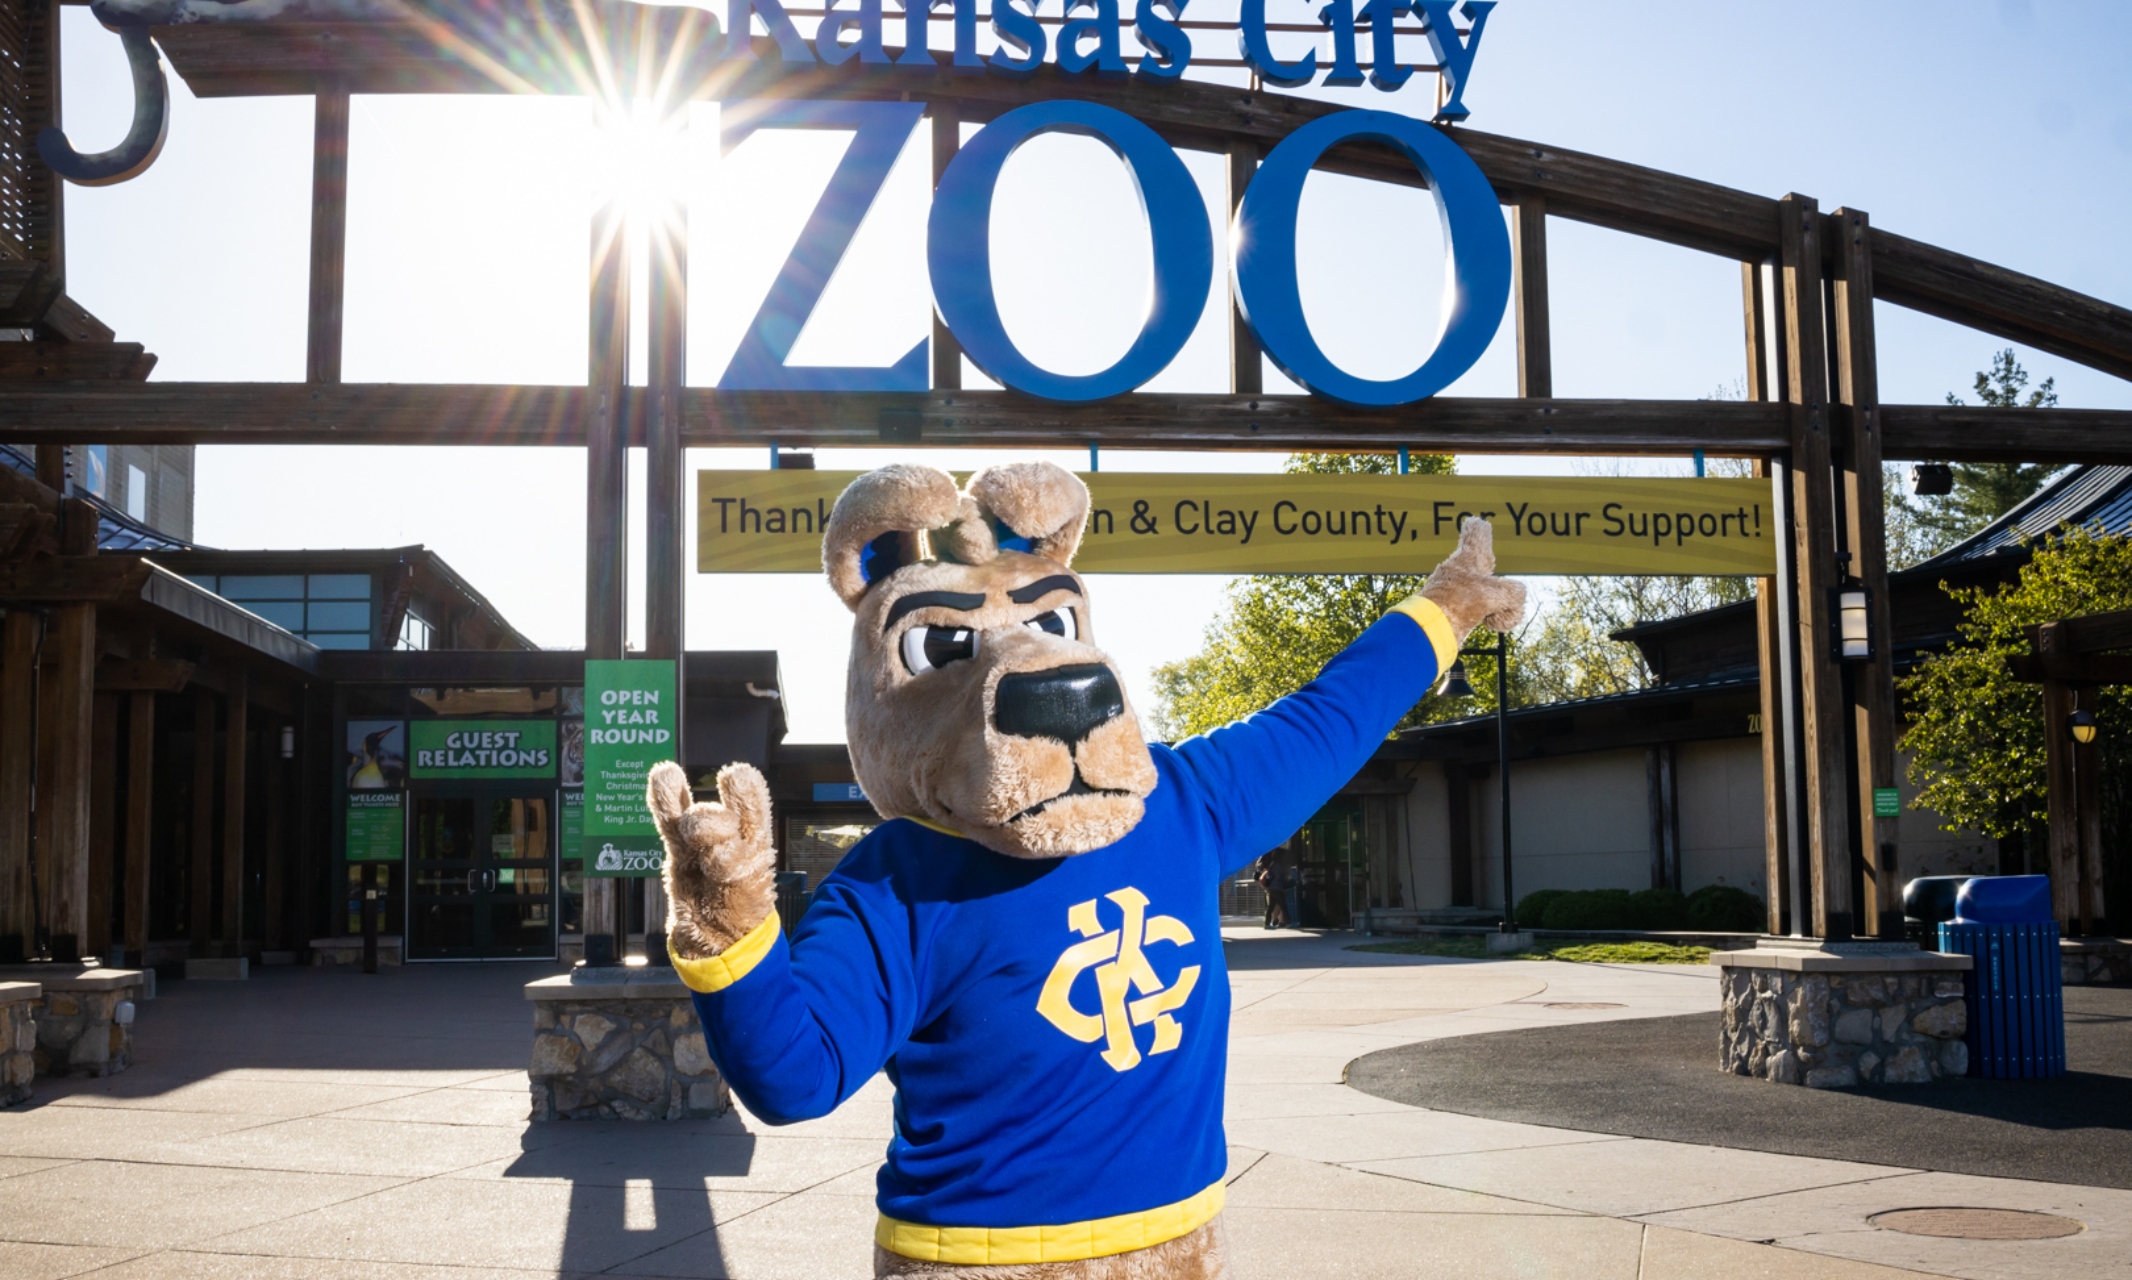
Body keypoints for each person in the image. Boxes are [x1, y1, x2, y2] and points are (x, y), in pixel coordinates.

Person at [1256, 858, 1284, 928]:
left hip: (1269, 887)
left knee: (1271, 906)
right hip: (1273, 887)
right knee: (1274, 905)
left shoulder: (1265, 864)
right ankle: (1269, 923)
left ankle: (1270, 922)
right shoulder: (1273, 865)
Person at [1280, 863, 1302, 930]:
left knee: (1284, 905)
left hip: (1283, 888)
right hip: (1287, 888)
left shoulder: (1282, 868)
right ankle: (1290, 921)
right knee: (1288, 905)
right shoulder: (1292, 871)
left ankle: (1284, 921)